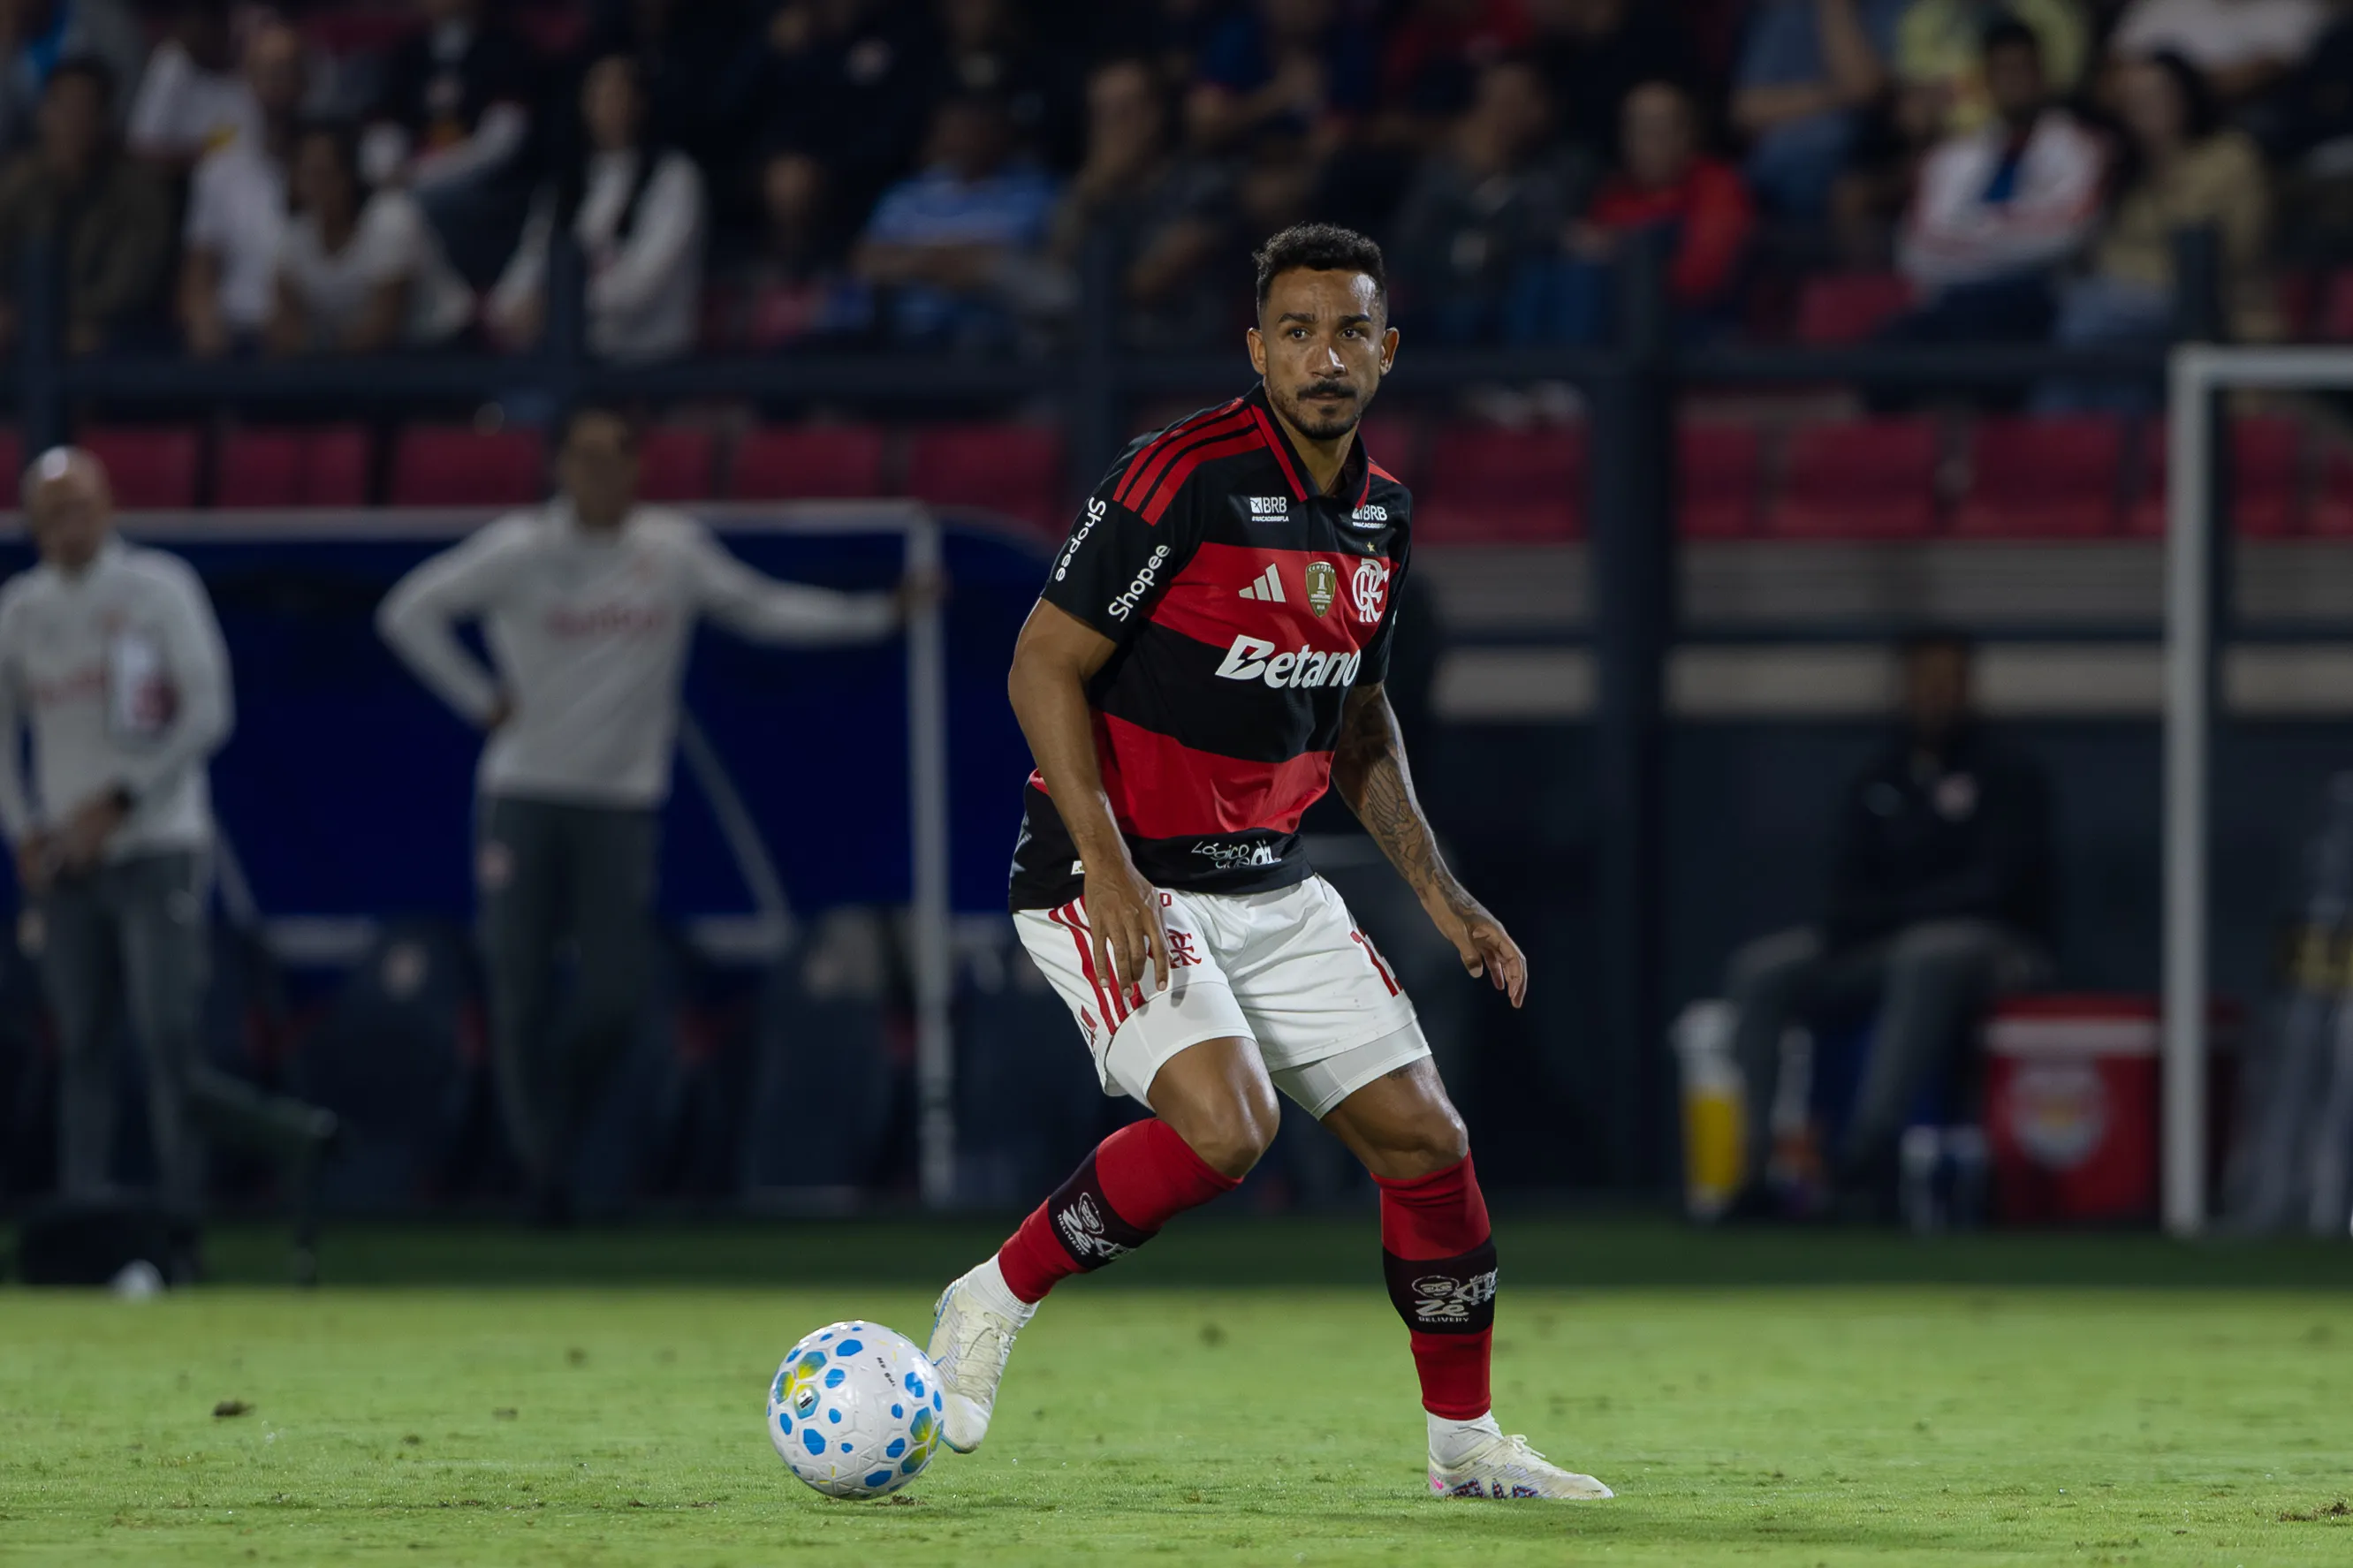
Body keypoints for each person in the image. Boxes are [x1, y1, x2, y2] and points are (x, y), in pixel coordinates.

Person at [922, 223, 1612, 1503]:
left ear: (1387, 349)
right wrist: (1110, 862)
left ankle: (1463, 1446)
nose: (1323, 354)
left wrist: (1442, 893)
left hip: (1268, 884)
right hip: (1104, 879)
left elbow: (1355, 721)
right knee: (1229, 1127)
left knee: (1424, 1139)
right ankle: (989, 1294)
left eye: (1349, 329)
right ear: (1255, 346)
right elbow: (1040, 662)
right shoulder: (1179, 473)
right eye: (1295, 330)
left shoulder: (1380, 518)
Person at [376, 405, 929, 1223]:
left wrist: (876, 613)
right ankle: (542, 1175)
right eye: (584, 458)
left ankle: (544, 1130)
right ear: (560, 466)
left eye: (615, 458)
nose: (600, 474)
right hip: (523, 795)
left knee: (615, 993)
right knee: (518, 984)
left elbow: (761, 606)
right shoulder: (520, 550)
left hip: (623, 802)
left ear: (639, 468)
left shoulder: (670, 552)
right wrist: (480, 699)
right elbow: (406, 611)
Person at [0, 448, 338, 1218]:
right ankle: (82, 1216)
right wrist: (23, 828)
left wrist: (125, 797)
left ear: (110, 507)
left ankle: (182, 1222)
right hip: (68, 866)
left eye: (78, 506)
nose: (66, 525)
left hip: (159, 847)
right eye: (50, 513)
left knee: (168, 1040)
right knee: (80, 1039)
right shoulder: (20, 610)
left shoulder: (159, 588)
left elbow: (208, 711)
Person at [1718, 632, 2053, 1219]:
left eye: (1948, 682)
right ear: (1904, 689)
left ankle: (1867, 1157)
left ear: (1968, 688)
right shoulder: (1880, 774)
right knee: (1761, 969)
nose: (1936, 695)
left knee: (1926, 953)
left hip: (1998, 946)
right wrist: (1858, 919)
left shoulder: (2007, 771)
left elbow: (1997, 885)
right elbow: (1846, 879)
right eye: (1924, 682)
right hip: (1884, 940)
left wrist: (1893, 912)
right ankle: (1755, 1173)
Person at [2036, 51, 2275, 412]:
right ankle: (2081, 454)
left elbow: (2238, 249)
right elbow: (2104, 250)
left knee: (2089, 316)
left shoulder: (2230, 157)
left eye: (2158, 94)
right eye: (2135, 100)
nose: (2147, 107)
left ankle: (2049, 440)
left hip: (2209, 305)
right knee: (2115, 370)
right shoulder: (2123, 168)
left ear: (2185, 95)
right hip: (2123, 314)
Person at [1879, 19, 2103, 349]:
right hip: (1954, 299)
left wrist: (1969, 233)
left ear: (2042, 76)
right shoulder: (1950, 156)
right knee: (1890, 343)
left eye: (2021, 69)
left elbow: (2066, 236)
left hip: (2039, 300)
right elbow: (1916, 248)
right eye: (2002, 71)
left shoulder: (2081, 147)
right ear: (1986, 80)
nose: (2013, 81)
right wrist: (2010, 229)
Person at [486, 54, 704, 362]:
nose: (607, 106)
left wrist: (553, 306)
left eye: (617, 93)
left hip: (648, 359)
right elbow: (529, 260)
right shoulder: (567, 184)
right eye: (597, 94)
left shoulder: (674, 178)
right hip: (566, 356)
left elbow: (639, 288)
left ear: (641, 101)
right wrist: (508, 306)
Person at [1389, 55, 1588, 345]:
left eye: (1511, 102)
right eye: (1490, 101)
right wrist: (1472, 179)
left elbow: (1550, 233)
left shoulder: (1563, 166)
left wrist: (1502, 174)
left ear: (1541, 107)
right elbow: (1409, 247)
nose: (1498, 115)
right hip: (1441, 301)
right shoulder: (1443, 172)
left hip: (1521, 302)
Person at [853, 92, 1059, 350]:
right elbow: (869, 260)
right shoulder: (907, 194)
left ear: (1001, 131)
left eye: (976, 126)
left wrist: (915, 259)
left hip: (1002, 341)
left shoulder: (1038, 192)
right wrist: (949, 262)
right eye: (955, 127)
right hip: (909, 339)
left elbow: (1018, 265)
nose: (965, 138)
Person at [0, 56, 171, 356]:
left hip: (113, 328)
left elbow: (128, 286)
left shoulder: (139, 192)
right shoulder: (19, 183)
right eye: (62, 108)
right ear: (43, 115)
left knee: (90, 342)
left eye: (84, 110)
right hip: (26, 322)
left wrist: (50, 319)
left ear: (104, 118)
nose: (71, 123)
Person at [267, 119, 474, 356]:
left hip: (440, 351)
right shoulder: (294, 235)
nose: (315, 187)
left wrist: (313, 348)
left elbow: (381, 328)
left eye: (325, 175)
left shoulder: (393, 217)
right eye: (306, 175)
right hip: (345, 361)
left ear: (350, 176)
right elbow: (282, 328)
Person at [363, 0, 537, 283]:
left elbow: (499, 145)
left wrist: (417, 176)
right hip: (408, 186)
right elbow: (384, 127)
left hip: (486, 192)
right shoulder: (408, 53)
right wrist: (384, 170)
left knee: (409, 214)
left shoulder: (507, 49)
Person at [178, 19, 307, 358]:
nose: (276, 82)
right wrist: (202, 317)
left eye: (286, 69)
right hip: (237, 331)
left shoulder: (329, 163)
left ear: (305, 80)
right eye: (266, 71)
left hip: (310, 329)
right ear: (247, 79)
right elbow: (200, 266)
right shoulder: (218, 168)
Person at [1730, 0, 1906, 218]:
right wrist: (1835, 95)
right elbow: (1746, 110)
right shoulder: (1787, 15)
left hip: (1861, 163)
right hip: (1772, 182)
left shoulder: (1893, 12)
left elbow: (1868, 88)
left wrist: (1837, 12)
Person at [125, 0, 254, 170]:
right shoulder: (172, 63)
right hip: (174, 181)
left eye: (215, 28)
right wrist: (199, 154)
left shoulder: (243, 74)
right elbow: (142, 147)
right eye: (196, 26)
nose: (203, 36)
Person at [0, 0, 146, 149]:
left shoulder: (100, 19)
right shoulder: (10, 35)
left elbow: (135, 95)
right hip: (28, 154)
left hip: (108, 148)